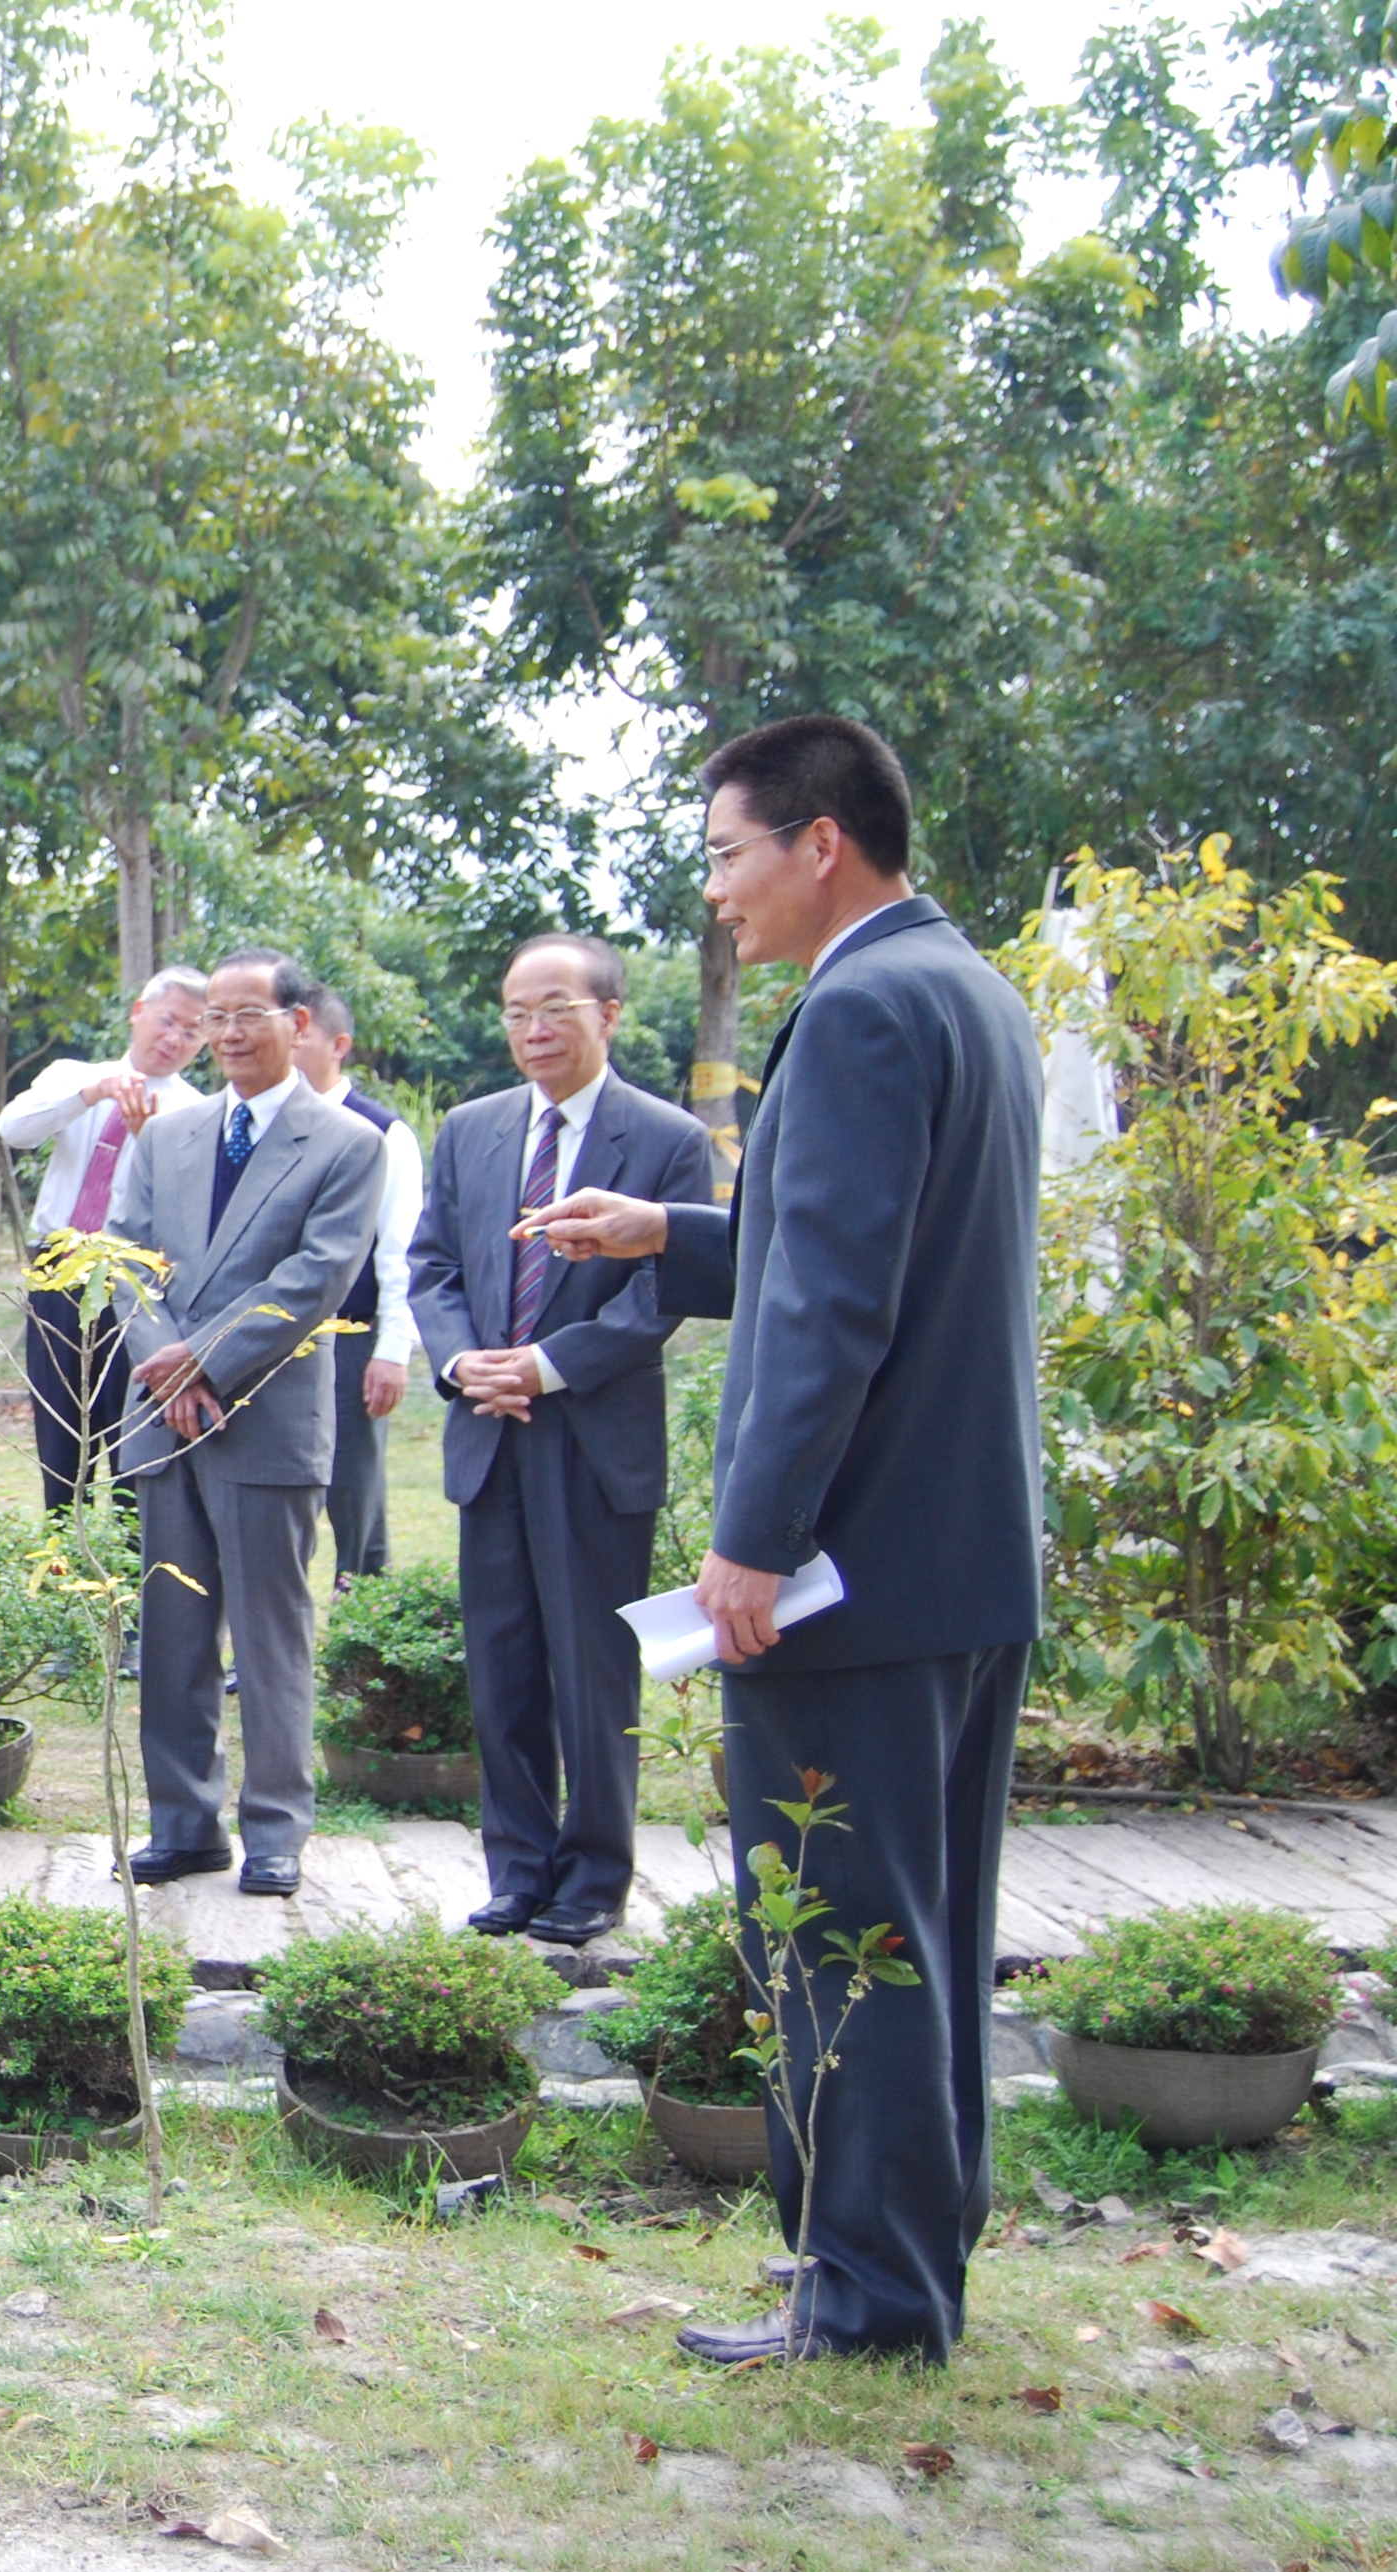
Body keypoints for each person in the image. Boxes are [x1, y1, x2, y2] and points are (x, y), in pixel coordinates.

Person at [525, 714, 1044, 2368]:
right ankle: (896, 2248)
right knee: (926, 1922)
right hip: (955, 1568)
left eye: (726, 855)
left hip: (852, 1580)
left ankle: (871, 2296)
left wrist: (748, 1541)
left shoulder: (862, 1006)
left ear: (820, 841)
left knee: (835, 1928)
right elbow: (843, 1238)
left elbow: (831, 1305)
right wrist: (667, 1231)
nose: (714, 893)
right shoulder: (960, 986)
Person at [408, 934, 713, 1948]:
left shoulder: (666, 1139)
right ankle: (515, 1869)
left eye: (554, 1010)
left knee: (591, 1671)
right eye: (513, 1012)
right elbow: (433, 1270)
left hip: (589, 1436)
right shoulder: (470, 1129)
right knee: (500, 1669)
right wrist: (462, 1366)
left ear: (609, 1015)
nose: (531, 1031)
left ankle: (592, 1879)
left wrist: (543, 1364)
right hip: (486, 1430)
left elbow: (658, 1292)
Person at [103, 950, 383, 1899]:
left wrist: (204, 1360)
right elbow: (126, 1263)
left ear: (298, 1023)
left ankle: (275, 1831)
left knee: (271, 1638)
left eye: (248, 1014)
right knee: (173, 1634)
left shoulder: (346, 1144)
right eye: (215, 1016)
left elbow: (316, 1276)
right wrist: (165, 1360)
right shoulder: (169, 1136)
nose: (226, 1032)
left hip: (264, 1419)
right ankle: (184, 1825)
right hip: (165, 1413)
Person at [0, 968, 207, 1509]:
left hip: (134, 1274)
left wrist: (148, 1139)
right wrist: (90, 1095)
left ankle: (129, 1567)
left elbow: (187, 1209)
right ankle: (61, 1552)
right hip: (58, 1262)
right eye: (167, 1022)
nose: (174, 1039)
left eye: (191, 1032)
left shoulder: (196, 1109)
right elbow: (14, 1129)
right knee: (58, 1421)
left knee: (129, 1422)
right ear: (138, 1012)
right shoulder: (74, 1074)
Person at [291, 990, 422, 1581]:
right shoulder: (270, 1126)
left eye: (302, 1034)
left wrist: (392, 1350)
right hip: (274, 1337)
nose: (287, 1047)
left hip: (350, 1336)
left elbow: (400, 1249)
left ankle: (361, 1632)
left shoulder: (381, 1131)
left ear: (338, 1046)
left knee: (354, 1491)